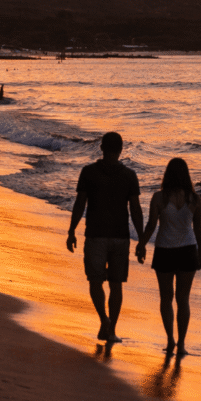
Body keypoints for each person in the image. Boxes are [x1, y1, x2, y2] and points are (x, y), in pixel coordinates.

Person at [67, 132, 143, 343]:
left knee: (95, 281)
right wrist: (142, 239)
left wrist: (71, 230)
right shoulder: (129, 175)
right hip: (120, 237)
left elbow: (80, 204)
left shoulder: (89, 172)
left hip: (95, 235)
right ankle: (111, 330)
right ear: (121, 150)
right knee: (116, 284)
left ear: (101, 148)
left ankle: (104, 320)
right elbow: (136, 210)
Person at [136, 157, 201, 357]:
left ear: (167, 174)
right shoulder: (195, 199)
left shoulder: (159, 197)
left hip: (165, 251)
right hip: (188, 251)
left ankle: (170, 340)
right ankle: (181, 344)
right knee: (183, 300)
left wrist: (141, 244)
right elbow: (198, 229)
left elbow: (151, 225)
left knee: (166, 298)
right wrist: (200, 253)